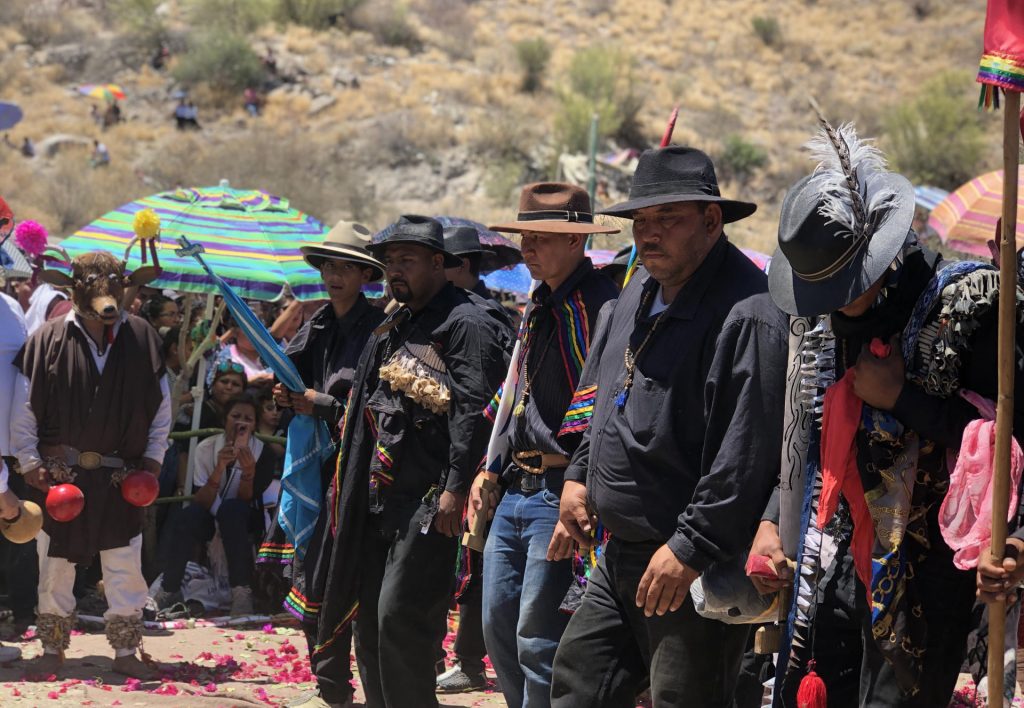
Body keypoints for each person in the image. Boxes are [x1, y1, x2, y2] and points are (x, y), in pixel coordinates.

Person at [757, 121, 1024, 707]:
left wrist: (900, 398)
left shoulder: (969, 310)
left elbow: (1002, 441)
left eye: (840, 288)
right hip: (844, 561)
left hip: (933, 580)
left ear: (879, 267)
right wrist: (775, 518)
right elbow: (807, 441)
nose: (827, 307)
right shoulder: (833, 330)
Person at [548, 146, 788, 707]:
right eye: (640, 221)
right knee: (578, 683)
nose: (648, 234)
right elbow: (607, 399)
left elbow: (745, 455)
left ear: (711, 221)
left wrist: (689, 547)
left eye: (667, 219)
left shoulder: (748, 311)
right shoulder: (638, 291)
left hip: (691, 561)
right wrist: (579, 476)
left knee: (685, 697)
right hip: (622, 555)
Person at [309, 215, 510, 708]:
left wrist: (455, 488)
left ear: (438, 263)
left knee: (402, 618)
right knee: (371, 624)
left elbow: (473, 412)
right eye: (389, 261)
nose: (395, 270)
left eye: (408, 260)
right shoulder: (395, 321)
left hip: (429, 500)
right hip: (380, 497)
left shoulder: (467, 322)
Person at [464, 183, 619, 706]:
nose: (527, 248)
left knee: (538, 636)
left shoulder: (602, 307)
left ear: (577, 242)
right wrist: (491, 466)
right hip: (515, 485)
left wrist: (578, 488)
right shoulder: (539, 305)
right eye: (525, 236)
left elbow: (602, 412)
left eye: (542, 237)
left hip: (561, 488)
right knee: (497, 626)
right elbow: (516, 393)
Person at [10, 250, 169, 679]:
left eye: (115, 283)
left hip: (123, 475)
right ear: (72, 288)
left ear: (124, 286)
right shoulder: (47, 338)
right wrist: (28, 462)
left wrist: (153, 460)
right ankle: (52, 647)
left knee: (123, 561)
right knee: (55, 565)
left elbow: (161, 408)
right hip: (63, 475)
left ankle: (125, 651)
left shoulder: (142, 338)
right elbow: (24, 408)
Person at [268, 221, 386, 708]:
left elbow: (375, 408)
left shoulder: (379, 330)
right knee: (306, 581)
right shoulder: (315, 325)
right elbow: (283, 372)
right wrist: (283, 396)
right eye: (329, 265)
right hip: (314, 473)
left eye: (347, 267)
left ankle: (338, 685)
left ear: (364, 275)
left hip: (355, 478)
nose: (335, 275)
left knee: (337, 584)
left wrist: (319, 403)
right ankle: (328, 685)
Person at [156, 395, 276, 616]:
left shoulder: (262, 453)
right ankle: (170, 588)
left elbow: (246, 500)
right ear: (225, 420)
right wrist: (220, 468)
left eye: (248, 419)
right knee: (188, 516)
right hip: (212, 513)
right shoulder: (206, 448)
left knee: (233, 511)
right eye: (236, 416)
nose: (241, 423)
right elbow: (201, 499)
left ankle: (241, 590)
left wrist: (248, 472)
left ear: (255, 425)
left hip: (244, 516)